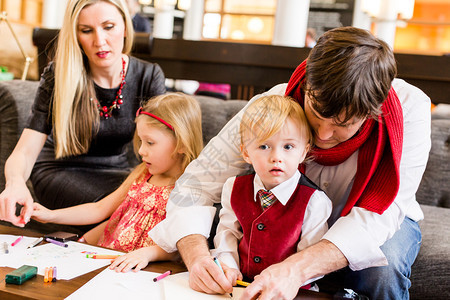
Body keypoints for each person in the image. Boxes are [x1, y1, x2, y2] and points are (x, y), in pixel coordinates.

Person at [149, 26, 431, 299]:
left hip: (380, 216)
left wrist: (295, 269)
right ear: (308, 84)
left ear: (372, 112)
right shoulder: (272, 104)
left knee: (382, 268)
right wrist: (197, 258)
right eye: (316, 113)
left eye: (342, 124)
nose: (322, 135)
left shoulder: (411, 108)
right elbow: (197, 184)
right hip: (286, 216)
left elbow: (378, 218)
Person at [0, 0, 166, 227]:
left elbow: (162, 147)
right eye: (86, 31)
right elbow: (26, 151)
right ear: (76, 36)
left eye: (109, 27)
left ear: (125, 27)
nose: (99, 41)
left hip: (119, 173)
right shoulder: (59, 75)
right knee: (127, 211)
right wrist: (15, 183)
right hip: (60, 171)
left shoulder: (149, 76)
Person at [31, 93, 203, 272]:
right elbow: (101, 210)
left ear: (181, 143)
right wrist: (51, 215)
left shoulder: (189, 187)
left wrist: (147, 254)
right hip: (109, 262)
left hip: (146, 270)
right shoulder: (142, 173)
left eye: (150, 143)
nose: (142, 151)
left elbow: (184, 243)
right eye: (141, 141)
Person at [212, 95, 331, 290]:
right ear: (246, 153)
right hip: (240, 286)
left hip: (293, 291)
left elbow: (312, 259)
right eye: (264, 146)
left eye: (288, 147)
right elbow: (227, 233)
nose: (276, 157)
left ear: (303, 152)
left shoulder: (314, 201)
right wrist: (229, 265)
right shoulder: (233, 187)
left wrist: (284, 279)